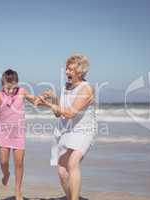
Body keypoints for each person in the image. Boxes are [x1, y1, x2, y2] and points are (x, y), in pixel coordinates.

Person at [39, 54, 97, 200]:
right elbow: (60, 113)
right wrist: (53, 99)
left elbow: (71, 113)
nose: (67, 72)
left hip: (83, 131)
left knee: (73, 162)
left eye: (71, 69)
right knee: (62, 171)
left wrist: (48, 104)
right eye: (66, 69)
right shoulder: (66, 86)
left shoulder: (87, 89)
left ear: (80, 71)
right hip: (66, 130)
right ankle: (71, 197)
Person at [0, 69, 41, 200]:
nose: (11, 90)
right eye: (8, 87)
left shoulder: (22, 92)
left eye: (14, 86)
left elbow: (34, 101)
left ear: (17, 83)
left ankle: (18, 191)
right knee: (3, 161)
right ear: (3, 84)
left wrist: (43, 99)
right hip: (4, 133)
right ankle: (6, 174)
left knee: (19, 163)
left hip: (18, 133)